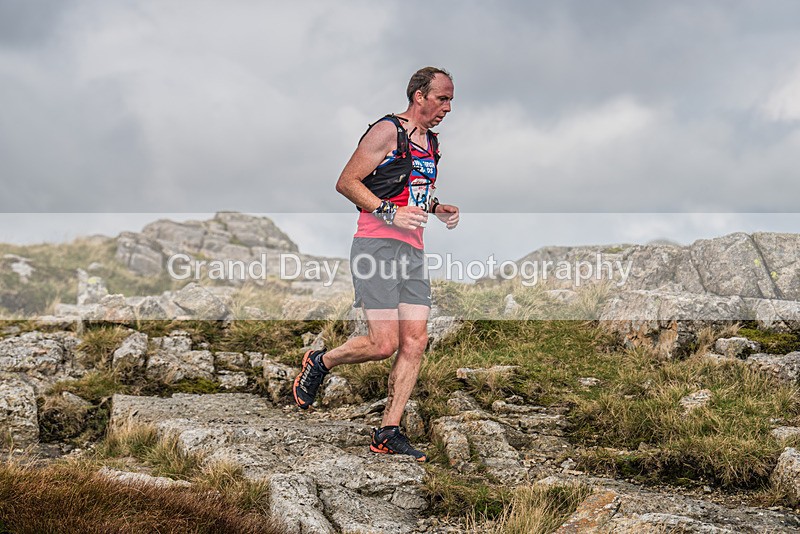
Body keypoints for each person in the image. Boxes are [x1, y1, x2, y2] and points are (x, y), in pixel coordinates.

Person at [292, 67, 459, 462]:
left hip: (412, 252)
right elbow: (347, 182)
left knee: (416, 340)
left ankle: (387, 432)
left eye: (451, 101)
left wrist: (436, 207)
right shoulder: (387, 131)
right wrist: (390, 213)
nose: (448, 108)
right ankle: (321, 361)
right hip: (376, 246)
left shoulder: (431, 143)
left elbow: (410, 189)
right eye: (442, 99)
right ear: (419, 96)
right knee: (384, 344)